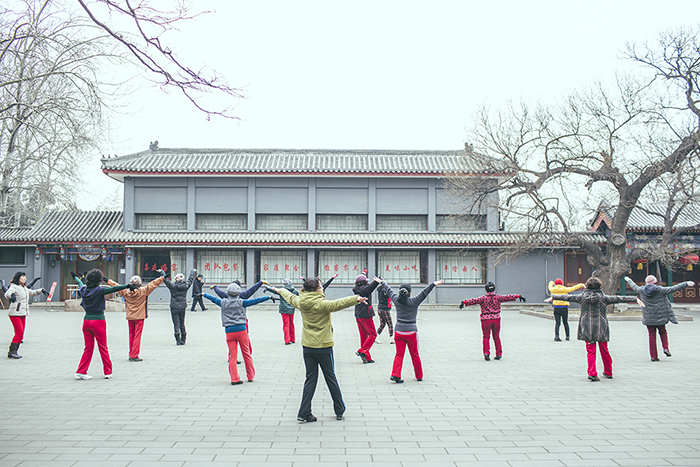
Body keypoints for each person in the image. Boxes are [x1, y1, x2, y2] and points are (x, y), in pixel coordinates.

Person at [273, 277, 368, 422]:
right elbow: (339, 303)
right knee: (330, 378)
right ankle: (339, 409)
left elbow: (290, 297)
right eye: (320, 286)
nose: (322, 287)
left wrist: (280, 290)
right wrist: (357, 299)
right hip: (324, 346)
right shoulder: (322, 304)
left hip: (308, 347)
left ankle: (304, 412)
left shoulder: (301, 302)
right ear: (316, 289)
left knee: (310, 379)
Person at [547, 276, 643, 381]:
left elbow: (568, 297)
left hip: (587, 325)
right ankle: (608, 371)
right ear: (599, 286)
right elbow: (620, 298)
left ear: (587, 286)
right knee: (604, 349)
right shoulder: (604, 298)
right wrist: (635, 299)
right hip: (601, 326)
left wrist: (554, 297)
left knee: (590, 350)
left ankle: (592, 372)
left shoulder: (581, 297)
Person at [203, 283, 271, 385]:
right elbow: (255, 301)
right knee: (246, 354)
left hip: (229, 332)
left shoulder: (223, 302)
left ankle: (234, 378)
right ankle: (250, 376)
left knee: (232, 357)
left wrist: (204, 294)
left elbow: (213, 299)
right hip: (241, 330)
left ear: (228, 293)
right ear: (238, 293)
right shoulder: (241, 302)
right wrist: (268, 297)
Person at [379, 278, 443, 383]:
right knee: (415, 354)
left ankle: (395, 374)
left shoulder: (396, 300)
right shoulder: (414, 301)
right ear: (410, 293)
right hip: (411, 332)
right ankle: (419, 375)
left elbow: (389, 290)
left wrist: (382, 282)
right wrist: (433, 284)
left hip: (398, 331)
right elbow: (424, 292)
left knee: (399, 354)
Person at [71, 270, 130, 379]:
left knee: (88, 348)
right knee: (103, 347)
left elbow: (80, 284)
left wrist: (75, 277)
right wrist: (128, 286)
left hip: (86, 321)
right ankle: (108, 372)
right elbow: (114, 289)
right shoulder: (99, 290)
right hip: (98, 321)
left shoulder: (84, 290)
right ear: (99, 280)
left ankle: (81, 371)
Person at [624, 275, 694, 361]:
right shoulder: (660, 290)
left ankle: (653, 356)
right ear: (654, 283)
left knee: (651, 336)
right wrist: (686, 283)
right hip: (661, 317)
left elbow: (633, 286)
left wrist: (628, 279)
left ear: (646, 282)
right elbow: (674, 288)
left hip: (649, 318)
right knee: (663, 332)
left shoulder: (641, 290)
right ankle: (665, 348)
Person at [107, 271, 165, 361]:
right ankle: (134, 355)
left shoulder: (125, 292)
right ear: (140, 283)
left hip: (130, 316)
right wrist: (162, 278)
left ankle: (131, 353)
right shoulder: (143, 291)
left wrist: (108, 281)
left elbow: (116, 286)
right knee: (137, 336)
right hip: (140, 317)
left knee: (131, 335)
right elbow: (153, 284)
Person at [460, 282, 526, 361]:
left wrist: (464, 302)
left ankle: (486, 352)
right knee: (496, 336)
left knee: (486, 337)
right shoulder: (498, 297)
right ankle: (499, 353)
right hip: (496, 319)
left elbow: (474, 300)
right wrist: (518, 296)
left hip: (485, 319)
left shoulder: (483, 298)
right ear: (494, 289)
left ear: (486, 290)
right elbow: (507, 297)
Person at [4, 271, 47, 359]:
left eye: (25, 277)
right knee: (18, 332)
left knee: (21, 333)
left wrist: (41, 290)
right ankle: (11, 351)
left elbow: (31, 293)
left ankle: (15, 351)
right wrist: (11, 295)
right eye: (22, 277)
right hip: (15, 313)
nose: (24, 279)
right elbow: (7, 293)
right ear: (18, 278)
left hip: (23, 313)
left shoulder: (23, 287)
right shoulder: (14, 286)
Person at [164, 269, 196, 345]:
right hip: (182, 306)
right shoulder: (185, 286)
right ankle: (183, 339)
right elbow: (190, 280)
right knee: (182, 323)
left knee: (176, 323)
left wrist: (162, 273)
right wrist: (192, 272)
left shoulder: (173, 286)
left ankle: (178, 340)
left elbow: (165, 280)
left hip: (174, 306)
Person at [353, 274, 380, 363]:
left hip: (358, 315)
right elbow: (369, 289)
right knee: (373, 334)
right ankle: (362, 351)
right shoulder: (363, 290)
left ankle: (366, 357)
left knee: (364, 337)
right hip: (365, 314)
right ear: (363, 282)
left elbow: (368, 288)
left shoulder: (357, 289)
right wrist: (377, 282)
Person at [265, 278, 299, 344]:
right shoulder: (294, 290)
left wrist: (267, 288)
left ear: (284, 284)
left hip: (284, 309)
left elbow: (275, 291)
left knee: (286, 324)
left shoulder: (282, 290)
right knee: (291, 324)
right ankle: (293, 339)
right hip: (291, 309)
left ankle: (287, 340)